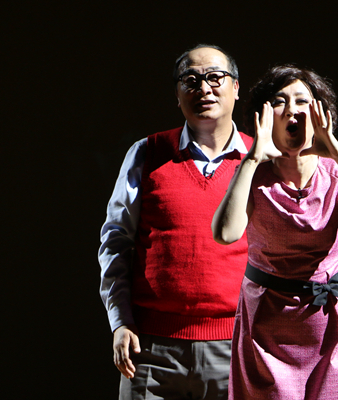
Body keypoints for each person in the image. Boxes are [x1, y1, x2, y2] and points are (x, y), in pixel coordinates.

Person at [211, 64, 338, 400]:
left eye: (302, 101)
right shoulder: (254, 176)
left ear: (321, 114)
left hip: (327, 324)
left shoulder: (334, 173)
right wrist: (251, 159)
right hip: (267, 326)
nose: (292, 110)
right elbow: (225, 233)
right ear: (265, 117)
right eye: (280, 102)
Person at [99, 45, 253, 399]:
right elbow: (116, 242)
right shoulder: (147, 153)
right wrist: (120, 321)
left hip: (236, 345)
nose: (204, 88)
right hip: (151, 350)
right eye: (191, 80)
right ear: (177, 94)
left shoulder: (258, 160)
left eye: (215, 77)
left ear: (236, 88)